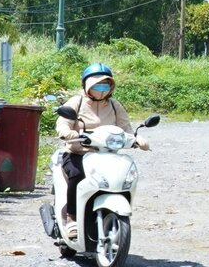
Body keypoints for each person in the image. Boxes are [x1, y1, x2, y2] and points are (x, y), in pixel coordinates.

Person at [56, 64, 147, 227]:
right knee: (76, 175)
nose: (101, 88)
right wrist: (69, 133)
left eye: (105, 83)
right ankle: (72, 217)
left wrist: (137, 138)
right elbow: (63, 123)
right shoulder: (76, 102)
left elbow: (126, 128)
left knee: (120, 177)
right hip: (79, 152)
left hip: (107, 155)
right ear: (86, 84)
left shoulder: (114, 105)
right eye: (96, 83)